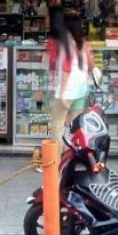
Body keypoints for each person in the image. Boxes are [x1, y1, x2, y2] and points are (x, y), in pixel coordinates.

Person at [46, 9, 95, 147]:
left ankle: (58, 156)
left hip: (68, 90)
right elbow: (91, 65)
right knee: (74, 126)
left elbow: (66, 69)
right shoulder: (83, 44)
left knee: (57, 126)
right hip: (81, 90)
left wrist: (62, 92)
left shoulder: (66, 44)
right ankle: (72, 154)